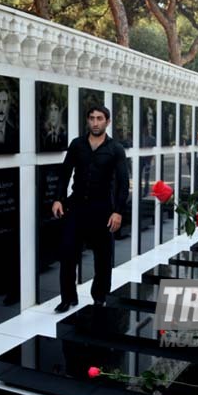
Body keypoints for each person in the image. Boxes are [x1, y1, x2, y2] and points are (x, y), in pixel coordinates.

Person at [52, 105, 129, 313]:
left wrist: (118, 211)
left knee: (103, 257)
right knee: (68, 253)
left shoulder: (116, 149)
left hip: (103, 209)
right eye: (92, 118)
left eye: (100, 119)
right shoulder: (77, 145)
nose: (95, 122)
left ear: (107, 122)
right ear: (88, 121)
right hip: (76, 206)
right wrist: (58, 199)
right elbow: (65, 173)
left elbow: (123, 183)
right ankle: (68, 298)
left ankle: (100, 296)